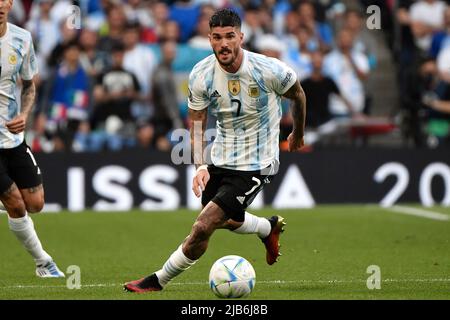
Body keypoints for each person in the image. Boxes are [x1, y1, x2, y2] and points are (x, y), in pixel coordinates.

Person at [124, 8, 306, 293]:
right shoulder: (201, 74)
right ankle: (267, 228)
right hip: (221, 158)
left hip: (257, 163)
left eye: (230, 36)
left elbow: (298, 95)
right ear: (209, 39)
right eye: (217, 37)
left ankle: (158, 280)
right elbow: (196, 122)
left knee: (203, 225)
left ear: (241, 37)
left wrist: (298, 131)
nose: (224, 44)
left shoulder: (268, 69)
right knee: (228, 219)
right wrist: (200, 165)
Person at [0, 0, 64, 277]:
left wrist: (25, 114)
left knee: (35, 203)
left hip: (12, 136)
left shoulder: (21, 38)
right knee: (14, 202)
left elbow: (29, 86)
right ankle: (43, 263)